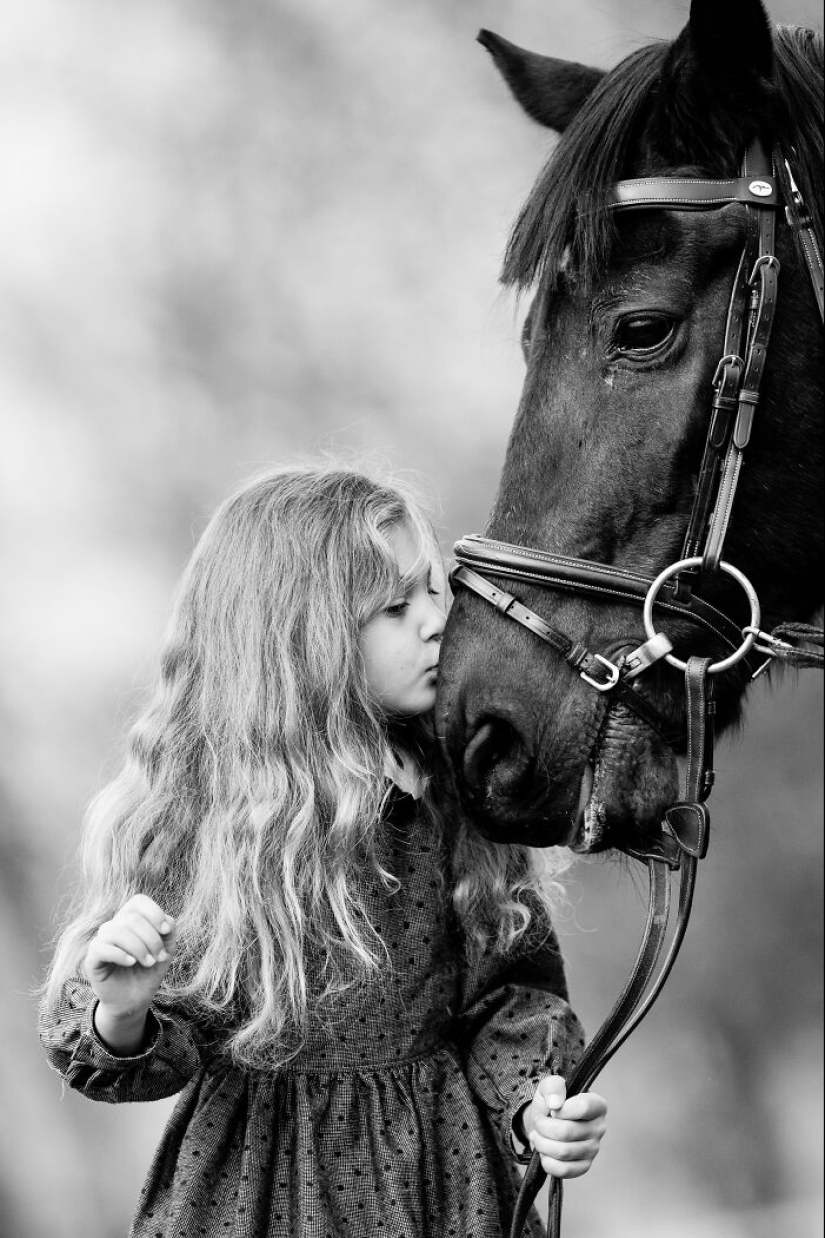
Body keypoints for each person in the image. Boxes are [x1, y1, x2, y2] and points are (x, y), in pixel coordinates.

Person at [39, 463, 607, 1238]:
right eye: (395, 606)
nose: (435, 621)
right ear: (301, 637)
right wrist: (122, 1008)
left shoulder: (451, 789)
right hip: (261, 1192)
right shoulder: (211, 816)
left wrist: (534, 1107)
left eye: (437, 590)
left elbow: (508, 996)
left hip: (442, 1184)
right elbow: (151, 1058)